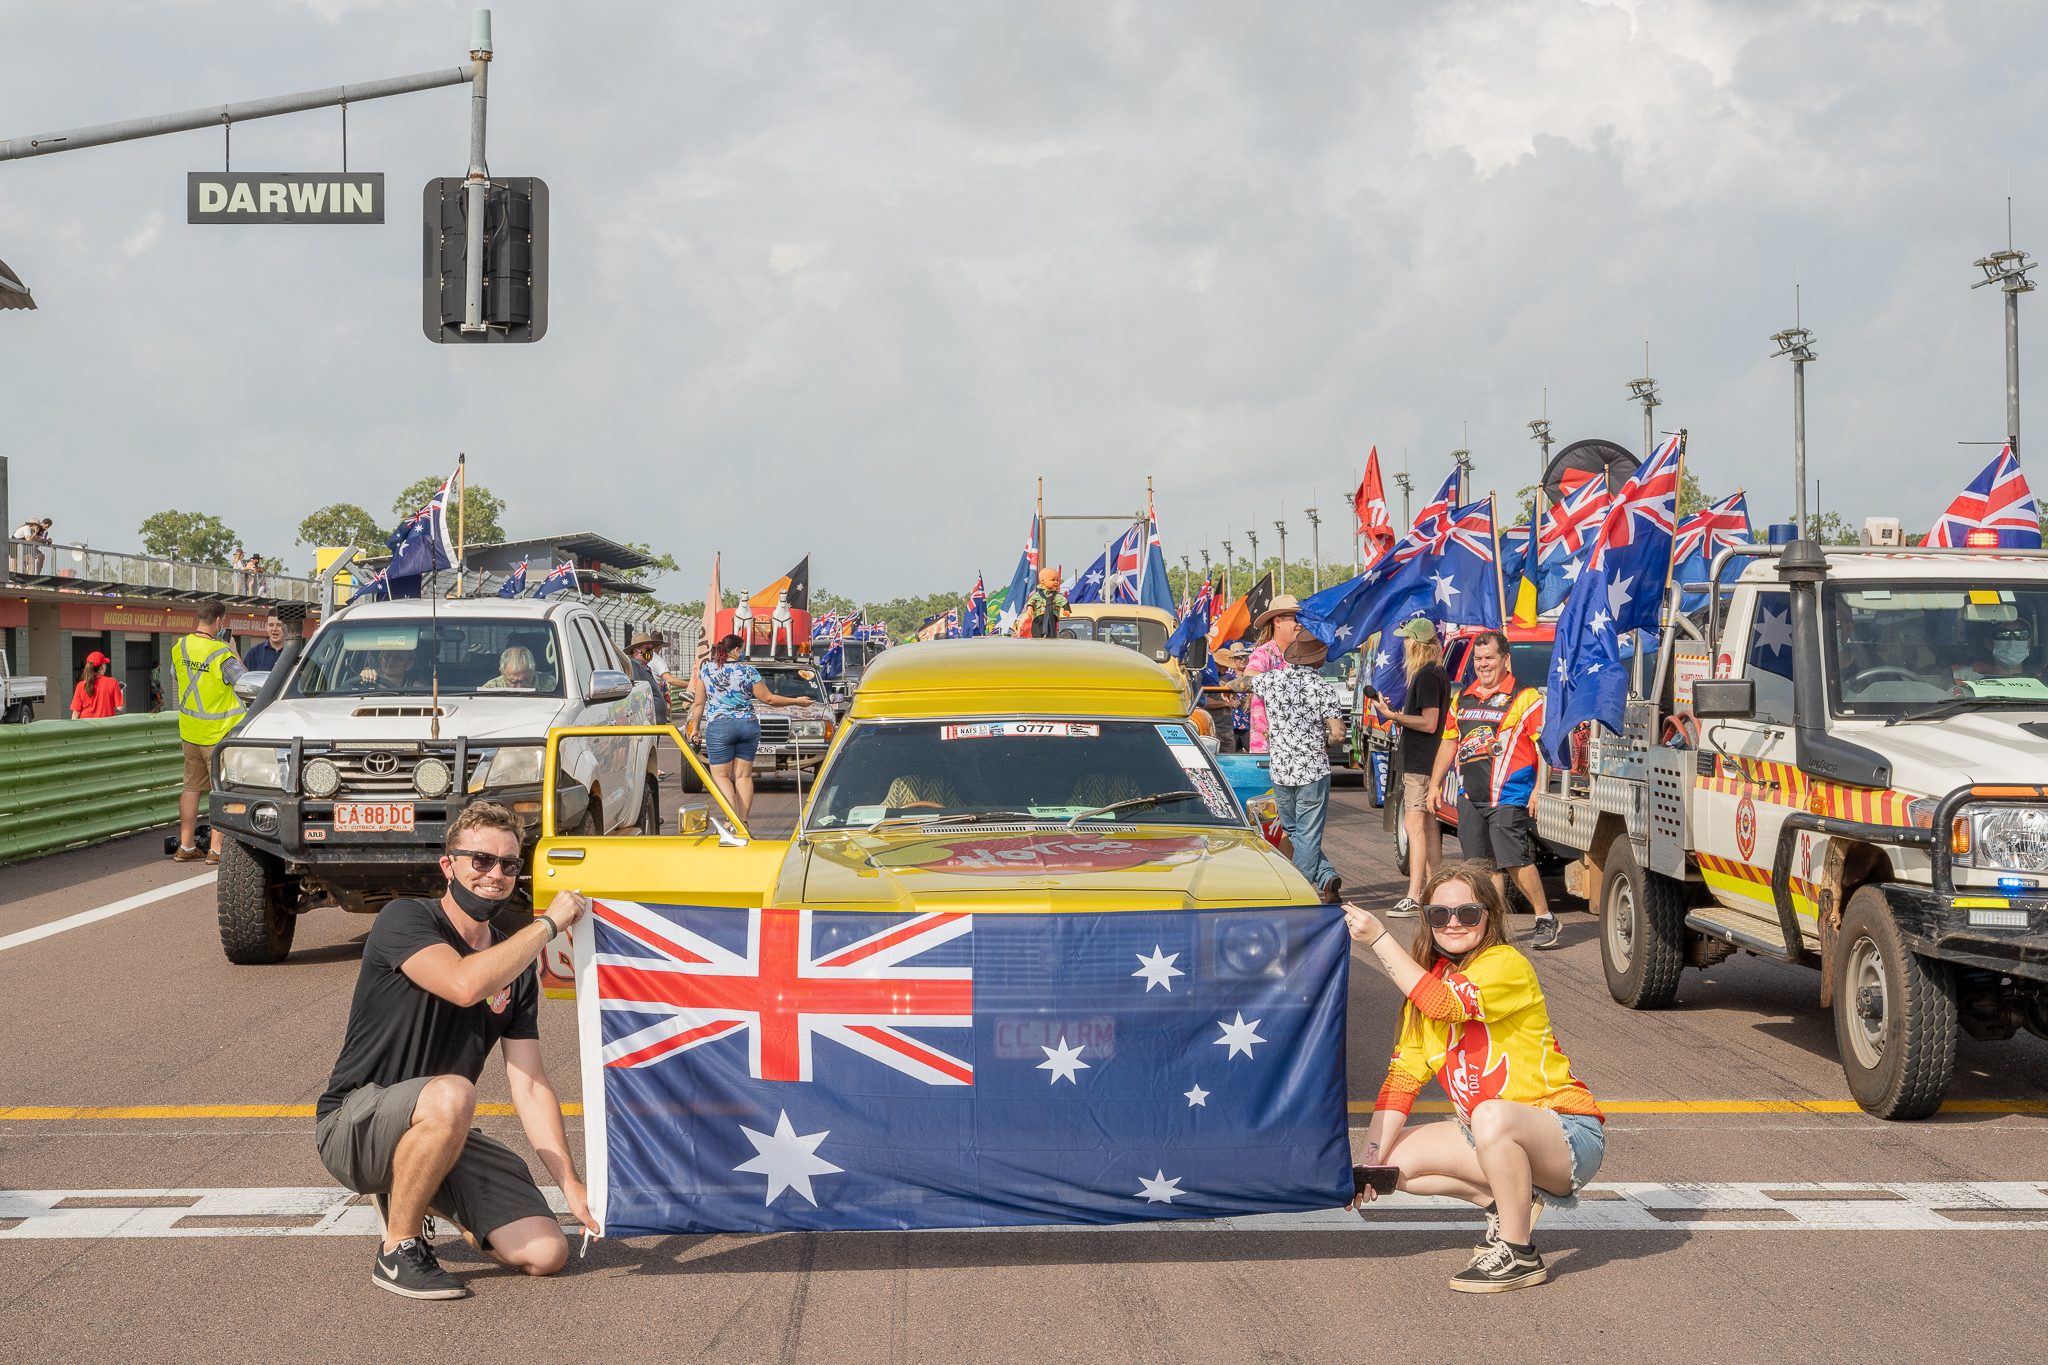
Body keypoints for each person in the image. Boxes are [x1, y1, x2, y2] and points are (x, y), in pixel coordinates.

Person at [315, 802, 597, 1300]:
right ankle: (397, 1250)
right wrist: (549, 926)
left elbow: (529, 1084)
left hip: (443, 1123)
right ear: (449, 866)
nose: (496, 874)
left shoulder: (516, 966)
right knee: (453, 1094)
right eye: (481, 860)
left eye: (510, 865)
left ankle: (416, 1189)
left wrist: (571, 1183)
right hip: (355, 1124)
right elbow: (464, 984)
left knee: (546, 1252)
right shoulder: (404, 918)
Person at [1343, 863, 1606, 1293]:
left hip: (1567, 1132)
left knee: (1488, 1115)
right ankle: (1508, 1204)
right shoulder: (1425, 992)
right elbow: (1400, 1084)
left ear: (1489, 916)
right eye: (1439, 914)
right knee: (1391, 1166)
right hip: (1493, 1133)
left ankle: (1519, 1252)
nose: (1453, 923)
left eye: (1467, 914)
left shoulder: (1505, 964)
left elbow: (1445, 1005)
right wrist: (1369, 1163)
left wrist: (1379, 939)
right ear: (1427, 920)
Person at [1430, 630, 1560, 949]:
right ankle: (1494, 927)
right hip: (1470, 796)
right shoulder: (1464, 698)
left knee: (1513, 860)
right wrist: (1434, 783)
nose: (1483, 664)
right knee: (1479, 867)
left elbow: (1545, 746)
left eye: (1490, 658)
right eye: (1478, 659)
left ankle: (1545, 917)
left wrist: (1538, 791)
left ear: (1505, 660)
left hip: (1509, 795)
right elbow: (1449, 741)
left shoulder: (1526, 697)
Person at [1240, 634, 1346, 902]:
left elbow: (1240, 683)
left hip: (1281, 770)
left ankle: (1325, 876)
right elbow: (1339, 734)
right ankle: (1302, 891)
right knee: (1308, 834)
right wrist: (1327, 743)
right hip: (1312, 770)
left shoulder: (1271, 679)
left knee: (1296, 831)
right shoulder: (1323, 688)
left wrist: (1233, 683)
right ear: (1319, 659)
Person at [1371, 618, 1450, 917]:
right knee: (1429, 826)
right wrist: (1399, 712)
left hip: (1421, 761)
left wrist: (1392, 716)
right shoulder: (1435, 673)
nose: (1402, 644)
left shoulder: (1427, 676)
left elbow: (1429, 723)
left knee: (1413, 826)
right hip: (1425, 759)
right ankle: (1436, 889)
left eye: (1406, 639)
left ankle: (1414, 896)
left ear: (1416, 643)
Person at [689, 633, 812, 825]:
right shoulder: (748, 671)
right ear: (736, 650)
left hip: (720, 727)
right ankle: (744, 821)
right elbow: (769, 699)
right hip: (748, 725)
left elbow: (698, 704)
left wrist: (695, 729)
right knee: (743, 775)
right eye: (742, 648)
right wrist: (797, 701)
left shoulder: (707, 670)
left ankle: (732, 822)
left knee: (721, 776)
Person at [171, 601, 246, 864]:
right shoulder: (222, 653)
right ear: (219, 622)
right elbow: (245, 683)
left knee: (191, 788)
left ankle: (186, 846)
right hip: (219, 736)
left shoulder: (179, 647)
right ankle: (216, 850)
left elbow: (177, 675)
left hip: (190, 731)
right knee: (222, 790)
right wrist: (234, 651)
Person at [1241, 596, 1304, 753]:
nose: (1300, 624)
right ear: (1277, 622)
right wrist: (1287, 680)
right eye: (1296, 618)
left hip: (1297, 748)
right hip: (1270, 749)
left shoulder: (1302, 656)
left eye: (1302, 618)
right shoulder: (1265, 652)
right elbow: (1249, 675)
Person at [626, 632, 671, 725]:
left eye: (651, 648)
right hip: (647, 723)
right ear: (636, 650)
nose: (650, 652)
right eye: (647, 648)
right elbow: (640, 696)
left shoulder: (644, 667)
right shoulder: (635, 668)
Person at [70, 651, 124, 719]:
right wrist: (120, 692)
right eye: (104, 664)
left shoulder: (81, 685)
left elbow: (76, 713)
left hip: (87, 725)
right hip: (107, 726)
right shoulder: (112, 682)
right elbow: (120, 707)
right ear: (102, 667)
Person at [1020, 567, 1069, 639]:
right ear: (1042, 581)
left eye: (1057, 580)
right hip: (1039, 616)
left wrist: (1066, 609)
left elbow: (1064, 601)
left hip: (1051, 616)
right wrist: (1030, 608)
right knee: (1037, 630)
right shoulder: (1038, 594)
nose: (1056, 582)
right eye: (1053, 580)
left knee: (1051, 631)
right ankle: (1037, 639)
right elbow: (1031, 601)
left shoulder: (1056, 595)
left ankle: (1051, 639)